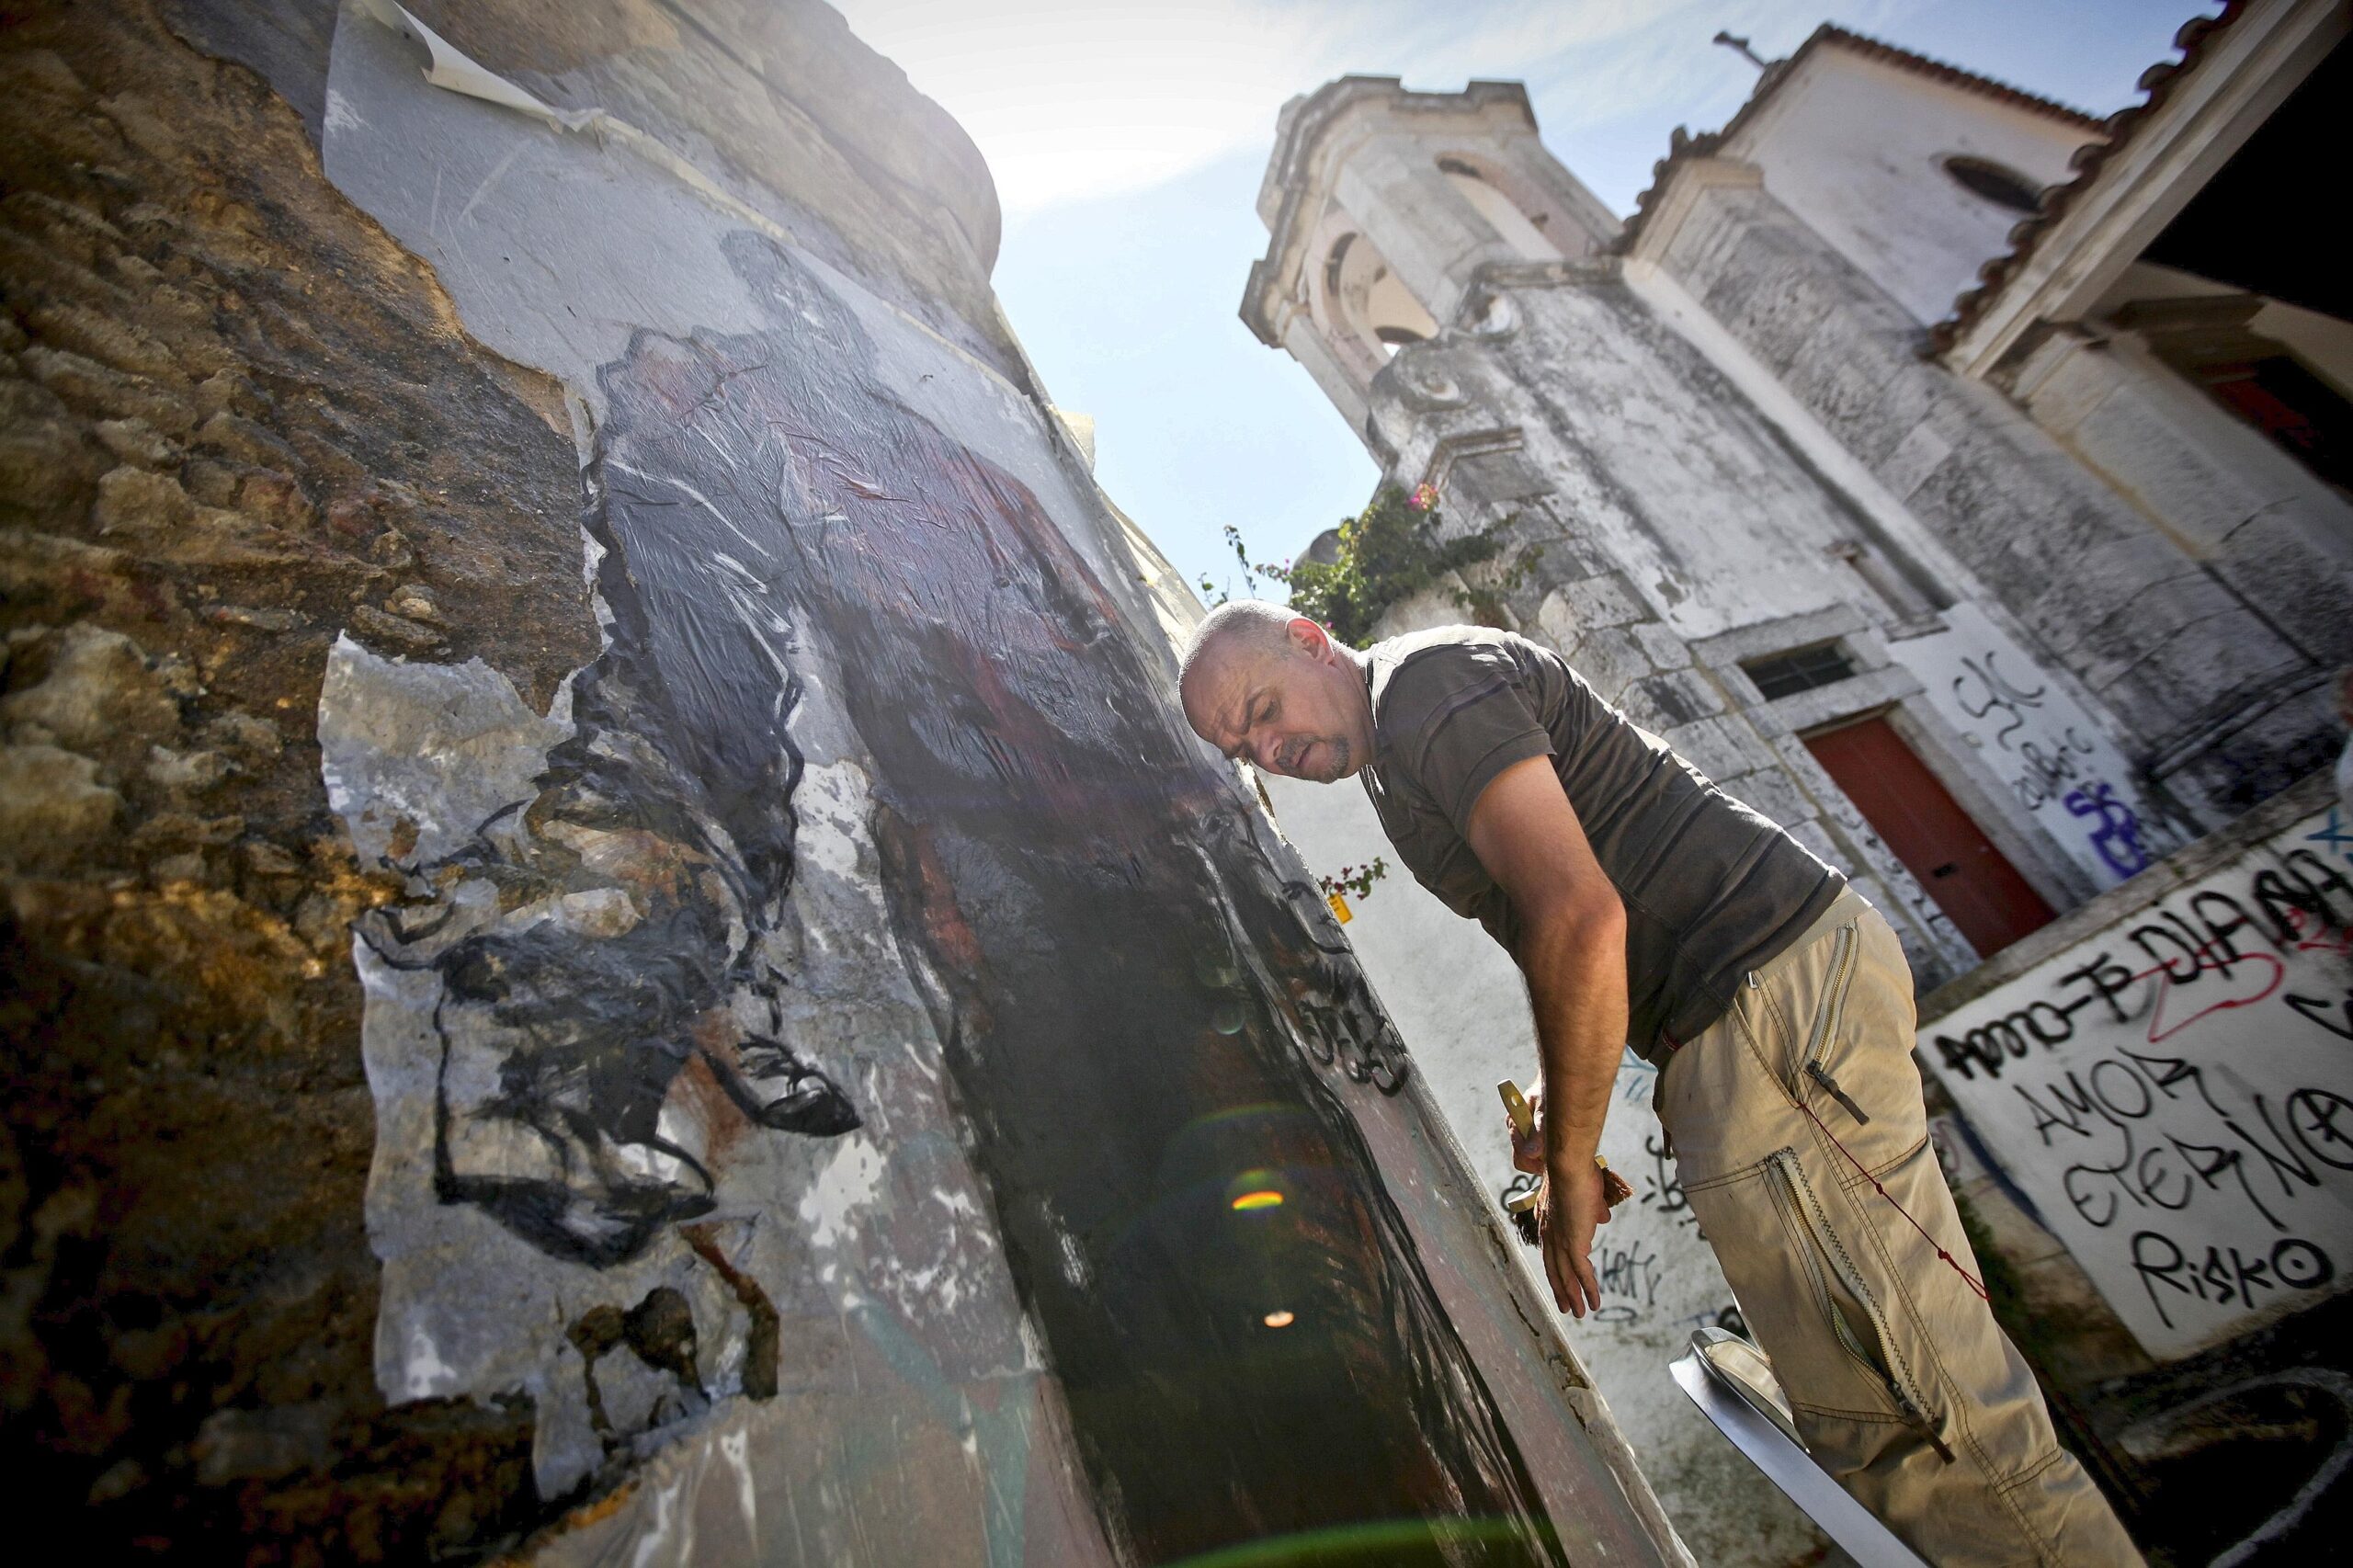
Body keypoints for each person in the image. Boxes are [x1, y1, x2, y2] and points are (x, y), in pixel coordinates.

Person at [1176, 602, 2143, 1568]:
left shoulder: (1423, 687)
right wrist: (1567, 1108)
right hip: (1742, 1017)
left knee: (1935, 1429)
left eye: (1264, 707)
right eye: (1246, 748)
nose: (1271, 746)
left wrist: (1568, 1170)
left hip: (1759, 999)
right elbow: (1568, 931)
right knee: (1878, 1426)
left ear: (1307, 636)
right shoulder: (1393, 753)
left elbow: (1580, 920)